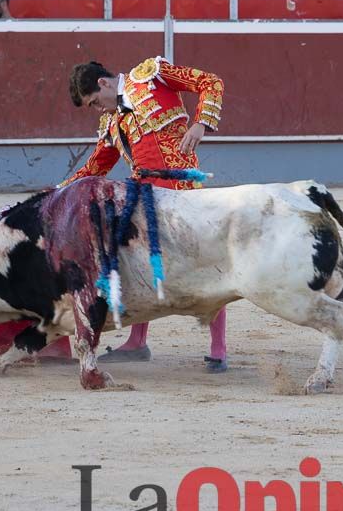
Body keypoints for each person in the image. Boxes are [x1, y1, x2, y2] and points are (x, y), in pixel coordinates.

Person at [56, 57, 227, 372]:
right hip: (143, 198)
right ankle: (137, 342)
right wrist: (59, 190)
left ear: (104, 84)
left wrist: (201, 122)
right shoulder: (112, 123)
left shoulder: (152, 75)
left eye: (95, 102)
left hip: (182, 189)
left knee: (205, 261)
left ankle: (218, 349)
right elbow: (97, 166)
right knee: (136, 264)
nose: (98, 110)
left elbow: (210, 81)